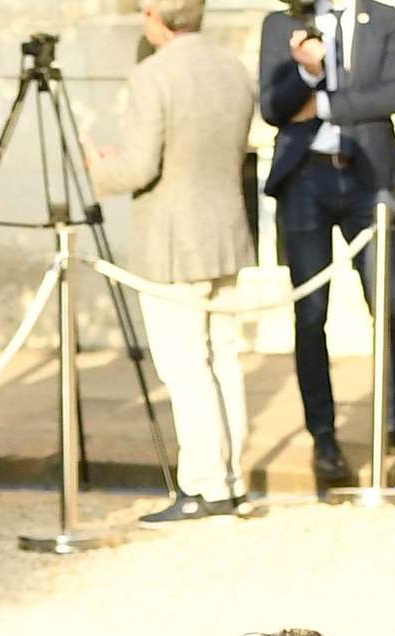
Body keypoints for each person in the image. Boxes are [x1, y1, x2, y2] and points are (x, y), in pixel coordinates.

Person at [93, 0, 262, 524]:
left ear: (158, 19)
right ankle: (230, 479)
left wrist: (99, 169)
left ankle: (204, 485)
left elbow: (140, 165)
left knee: (187, 367)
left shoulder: (153, 75)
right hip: (225, 230)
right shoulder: (233, 68)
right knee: (224, 360)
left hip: (172, 240)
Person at [256, 0, 395, 489]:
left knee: (387, 308)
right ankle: (324, 439)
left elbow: (391, 95)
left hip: (369, 179)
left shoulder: (386, 19)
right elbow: (271, 108)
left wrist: (324, 104)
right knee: (311, 315)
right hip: (305, 179)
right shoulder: (280, 24)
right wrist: (308, 74)